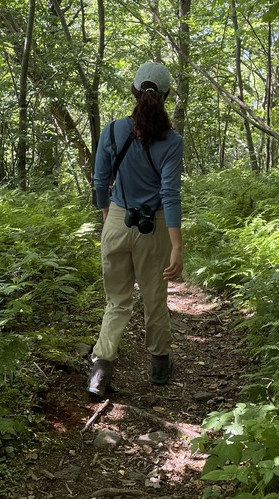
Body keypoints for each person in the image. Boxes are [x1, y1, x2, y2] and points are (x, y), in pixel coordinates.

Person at [87, 61, 184, 400]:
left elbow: (100, 180)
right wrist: (176, 246)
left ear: (133, 91)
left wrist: (108, 215)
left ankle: (100, 371)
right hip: (153, 226)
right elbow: (170, 194)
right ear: (166, 96)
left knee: (117, 301)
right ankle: (159, 365)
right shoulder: (171, 141)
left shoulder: (113, 130)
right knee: (154, 297)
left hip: (117, 219)